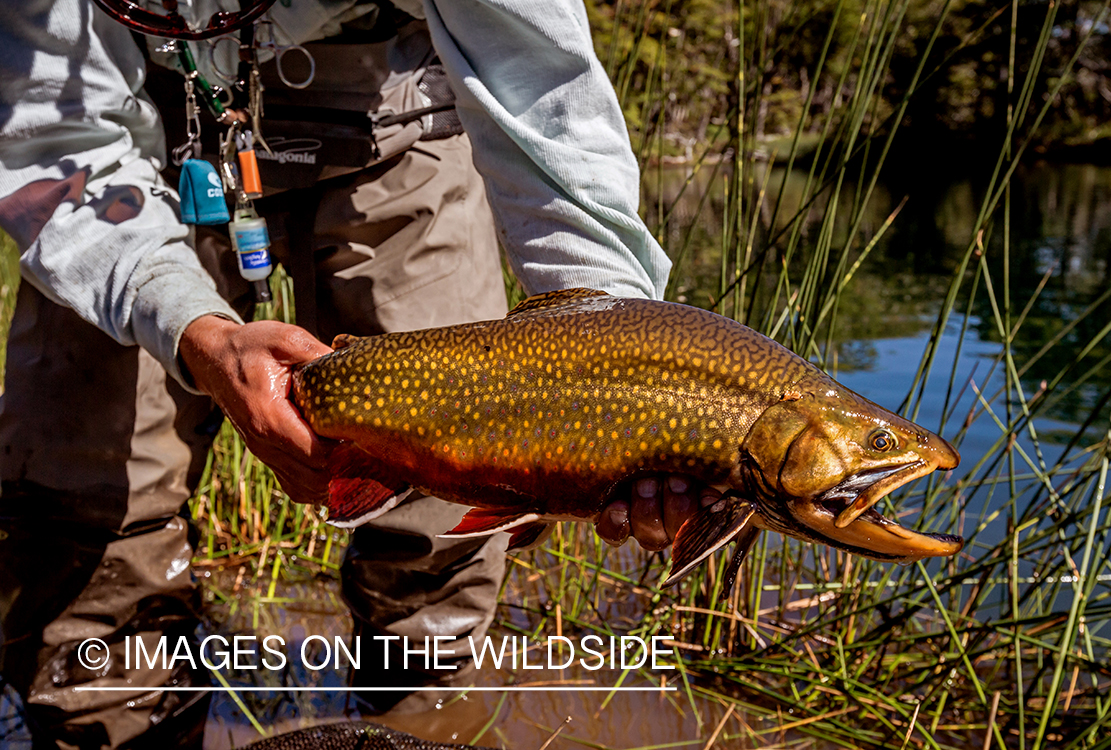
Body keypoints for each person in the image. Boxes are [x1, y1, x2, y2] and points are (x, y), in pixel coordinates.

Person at [0, 1, 704, 747]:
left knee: (442, 512)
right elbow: (53, 132)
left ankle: (432, 723)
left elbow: (542, 87)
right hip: (120, 122)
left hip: (396, 107)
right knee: (81, 514)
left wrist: (621, 360)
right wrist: (194, 331)